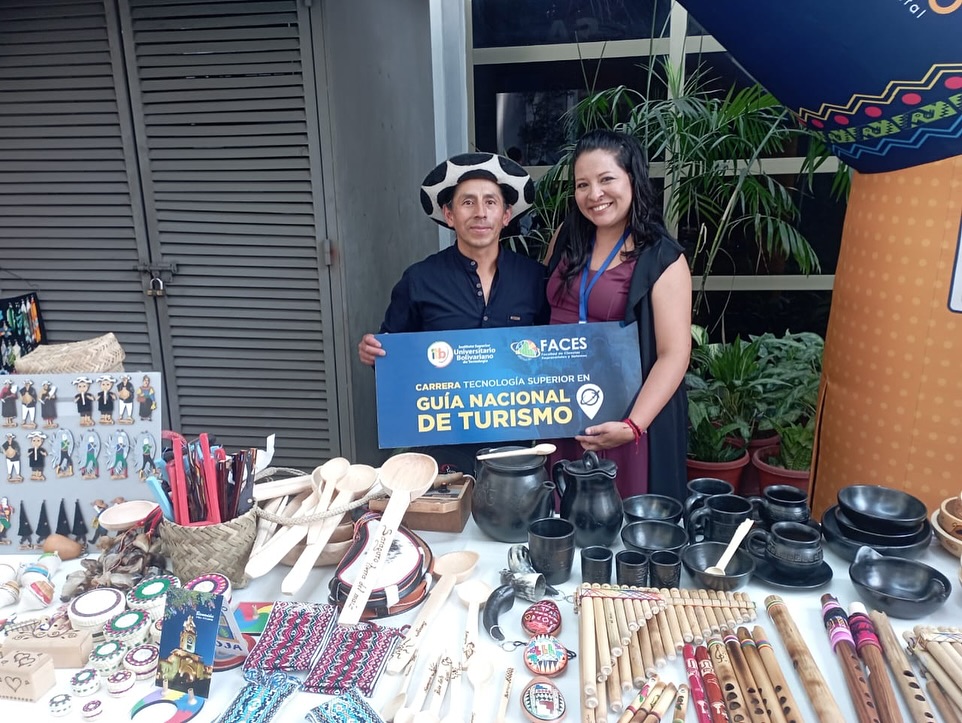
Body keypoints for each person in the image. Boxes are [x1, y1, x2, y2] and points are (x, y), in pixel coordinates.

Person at [358, 152, 549, 472]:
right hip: (440, 449)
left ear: (506, 215)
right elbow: (393, 357)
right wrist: (374, 352)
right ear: (449, 215)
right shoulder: (419, 280)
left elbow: (553, 354)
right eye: (468, 202)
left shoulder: (535, 279)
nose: (480, 212)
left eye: (490, 202)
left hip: (516, 448)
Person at [545, 129, 691, 502]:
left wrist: (632, 425)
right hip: (558, 410)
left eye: (606, 179)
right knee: (557, 516)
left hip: (620, 418)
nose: (594, 194)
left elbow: (674, 354)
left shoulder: (662, 258)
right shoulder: (566, 237)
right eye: (582, 184)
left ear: (633, 179)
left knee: (614, 519)